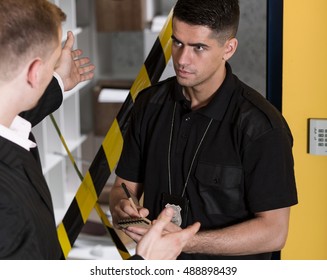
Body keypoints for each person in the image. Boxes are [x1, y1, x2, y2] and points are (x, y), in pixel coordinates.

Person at [0, 0, 199, 260]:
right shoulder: (9, 207)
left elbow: (15, 115)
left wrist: (56, 80)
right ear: (35, 72)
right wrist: (148, 263)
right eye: (51, 65)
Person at [109, 0, 298, 260]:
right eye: (177, 43)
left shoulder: (261, 127)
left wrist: (185, 242)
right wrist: (123, 211)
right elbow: (122, 188)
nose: (182, 59)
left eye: (199, 47)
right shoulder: (148, 104)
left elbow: (274, 232)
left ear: (228, 48)